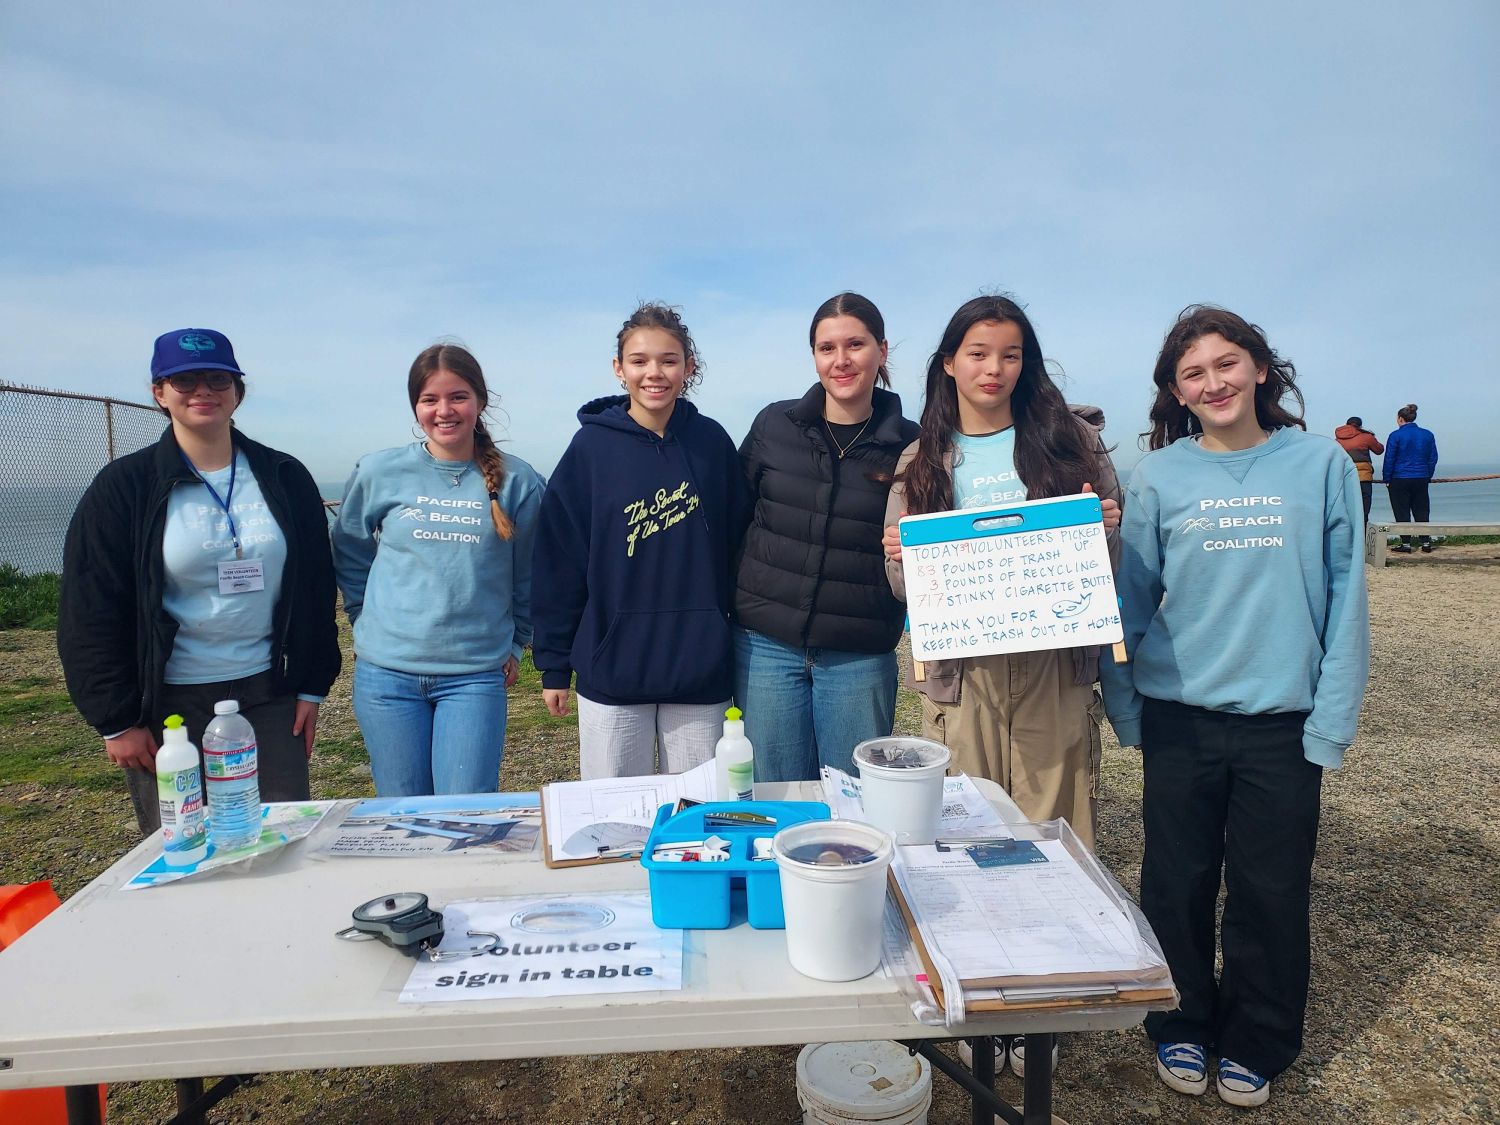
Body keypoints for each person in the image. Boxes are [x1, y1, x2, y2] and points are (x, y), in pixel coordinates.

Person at [1099, 306, 1369, 1108]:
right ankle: (1180, 1021)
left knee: (1271, 888)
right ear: (1176, 392)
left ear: (1259, 368)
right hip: (1180, 714)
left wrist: (1332, 718)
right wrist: (1127, 708)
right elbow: (1130, 601)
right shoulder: (1156, 477)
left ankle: (1259, 1035)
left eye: (1226, 363)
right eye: (1193, 372)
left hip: (1282, 722)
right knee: (1175, 880)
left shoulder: (1319, 464)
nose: (1212, 381)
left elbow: (1348, 596)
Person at [59, 328, 341, 834]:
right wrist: (117, 720)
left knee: (277, 838)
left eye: (217, 378)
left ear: (238, 391)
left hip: (269, 693)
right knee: (183, 846)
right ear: (159, 393)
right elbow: (91, 604)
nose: (202, 391)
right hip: (166, 703)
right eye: (183, 380)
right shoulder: (126, 486)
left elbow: (317, 589)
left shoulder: (283, 475)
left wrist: (313, 684)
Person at [881, 295, 1122, 853]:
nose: (994, 370)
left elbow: (1108, 567)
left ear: (1025, 363)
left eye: (1010, 356)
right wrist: (901, 558)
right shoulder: (918, 461)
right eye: (978, 354)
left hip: (1055, 667)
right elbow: (901, 590)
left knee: (1056, 836)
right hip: (961, 675)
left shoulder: (1072, 444)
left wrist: (1102, 530)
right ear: (949, 363)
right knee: (966, 832)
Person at [532, 304, 751, 779]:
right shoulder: (589, 450)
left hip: (699, 670)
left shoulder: (711, 444)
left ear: (688, 368)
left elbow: (741, 546)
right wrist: (553, 664)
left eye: (669, 360)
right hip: (612, 670)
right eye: (639, 360)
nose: (655, 372)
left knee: (698, 820)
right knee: (613, 820)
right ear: (619, 369)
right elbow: (559, 562)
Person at [332, 343, 543, 797]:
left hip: (474, 675)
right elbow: (349, 549)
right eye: (430, 400)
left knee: (466, 814)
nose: (444, 411)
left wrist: (518, 642)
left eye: (458, 397)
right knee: (402, 814)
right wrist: (361, 615)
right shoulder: (379, 470)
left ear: (480, 401)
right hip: (386, 676)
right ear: (416, 407)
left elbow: (530, 574)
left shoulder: (519, 481)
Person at [734, 292, 920, 781]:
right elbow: (734, 513)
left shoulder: (915, 445)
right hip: (766, 647)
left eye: (855, 345)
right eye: (826, 347)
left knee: (855, 803)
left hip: (859, 652)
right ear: (813, 355)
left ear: (882, 350)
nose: (841, 361)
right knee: (776, 797)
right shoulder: (775, 425)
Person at [1383, 403, 1439, 552]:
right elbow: (1433, 457)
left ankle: (1406, 543)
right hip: (1421, 476)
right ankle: (1426, 542)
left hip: (1399, 477)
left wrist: (1387, 478)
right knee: (1422, 509)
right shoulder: (1428, 434)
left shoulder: (1395, 435)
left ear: (1400, 419)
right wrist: (1428, 475)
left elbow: (1389, 459)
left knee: (1401, 511)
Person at [1334, 416, 1383, 523]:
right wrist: (1372, 437)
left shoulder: (1337, 440)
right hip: (1364, 477)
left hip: (1345, 477)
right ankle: (1363, 533)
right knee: (1364, 509)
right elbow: (1379, 450)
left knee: (1348, 508)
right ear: (1360, 426)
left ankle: (1349, 536)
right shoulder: (1366, 437)